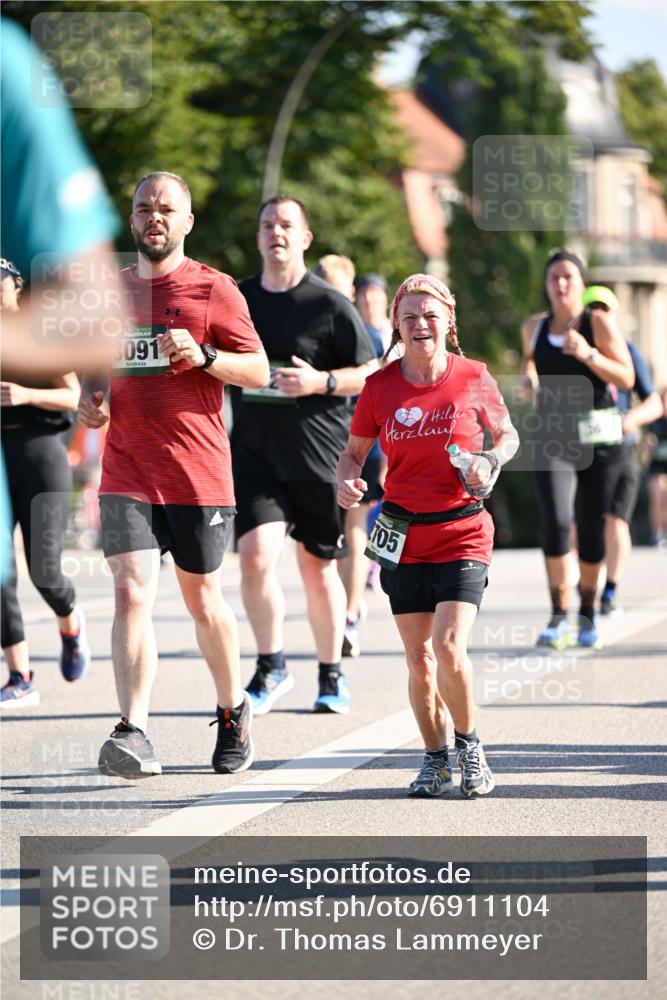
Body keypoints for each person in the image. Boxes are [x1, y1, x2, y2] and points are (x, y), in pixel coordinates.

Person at [78, 171, 269, 778]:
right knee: (131, 590)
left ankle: (233, 708)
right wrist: (90, 397)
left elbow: (260, 371)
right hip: (127, 468)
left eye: (165, 209)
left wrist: (207, 357)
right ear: (131, 221)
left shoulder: (215, 290)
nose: (153, 218)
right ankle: (133, 729)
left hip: (198, 472)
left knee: (203, 599)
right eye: (142, 209)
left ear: (186, 221)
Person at [337, 274, 519, 798]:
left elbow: (507, 434)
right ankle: (434, 759)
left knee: (447, 645)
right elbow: (353, 451)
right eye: (410, 315)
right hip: (400, 533)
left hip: (462, 530)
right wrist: (347, 477)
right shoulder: (379, 387)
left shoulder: (474, 376)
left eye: (431, 314)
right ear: (396, 324)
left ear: (449, 322)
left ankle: (471, 746)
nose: (421, 324)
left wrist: (490, 459)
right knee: (418, 659)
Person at [231, 196, 377, 716]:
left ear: (305, 238)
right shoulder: (238, 299)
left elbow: (372, 372)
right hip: (254, 457)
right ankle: (271, 666)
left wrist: (321, 381)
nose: (277, 233)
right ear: (258, 237)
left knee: (317, 570)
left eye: (287, 225)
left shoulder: (329, 304)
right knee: (254, 559)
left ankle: (330, 673)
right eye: (267, 224)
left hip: (318, 458)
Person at [521, 251, 634, 650]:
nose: (561, 284)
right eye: (554, 277)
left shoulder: (597, 322)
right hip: (552, 437)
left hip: (598, 439)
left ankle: (586, 614)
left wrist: (588, 353)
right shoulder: (533, 327)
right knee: (555, 521)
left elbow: (627, 375)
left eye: (568, 276)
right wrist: (527, 381)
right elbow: (530, 365)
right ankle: (558, 615)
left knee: (589, 529)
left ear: (581, 283)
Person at [1, 260, 90, 708]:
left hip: (40, 451)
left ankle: (70, 622)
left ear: (16, 285)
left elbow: (75, 395)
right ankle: (20, 674)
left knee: (44, 570)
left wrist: (27, 394)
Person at [581, 287, 663, 614]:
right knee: (582, 523)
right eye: (591, 311)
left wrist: (630, 420)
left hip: (622, 448)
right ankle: (589, 580)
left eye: (604, 310)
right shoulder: (572, 354)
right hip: (582, 451)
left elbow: (654, 403)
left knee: (616, 522)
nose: (598, 317)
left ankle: (610, 589)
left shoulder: (628, 351)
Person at [646, 387, 667, 547]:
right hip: (657, 465)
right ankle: (657, 534)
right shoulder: (655, 421)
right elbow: (649, 445)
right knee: (657, 496)